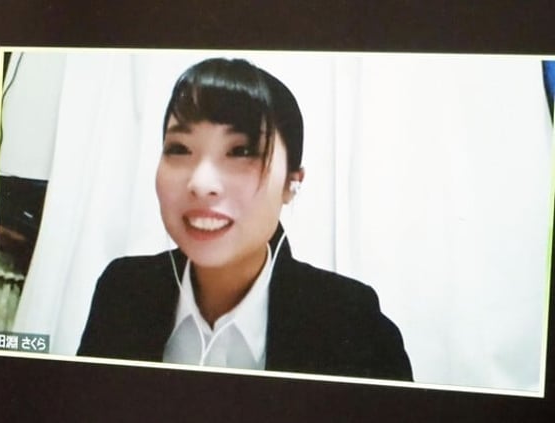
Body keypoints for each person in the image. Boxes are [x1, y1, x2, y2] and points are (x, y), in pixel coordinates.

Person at [77, 58, 412, 381]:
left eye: (241, 151)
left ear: (291, 183)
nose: (201, 183)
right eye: (179, 148)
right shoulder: (121, 291)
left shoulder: (353, 323)